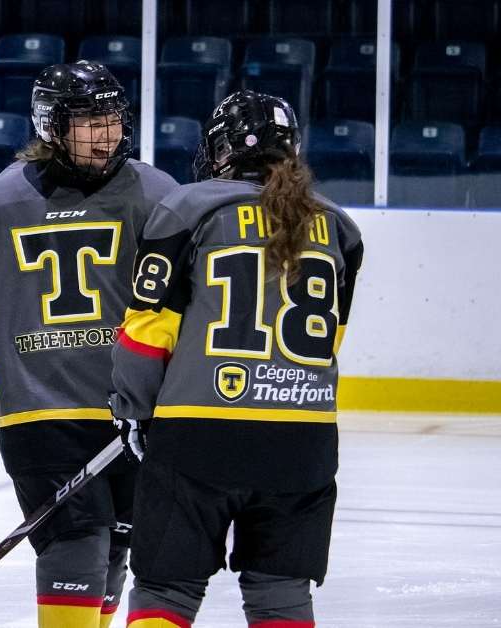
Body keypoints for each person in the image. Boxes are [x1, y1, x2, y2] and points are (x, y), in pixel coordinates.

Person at [109, 90, 364, 628]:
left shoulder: (185, 208)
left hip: (199, 435)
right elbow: (332, 338)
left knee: (166, 589)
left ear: (222, 148)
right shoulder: (341, 227)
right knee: (281, 593)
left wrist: (135, 408)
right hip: (303, 439)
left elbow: (144, 335)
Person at [0, 61, 178, 628]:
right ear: (51, 126)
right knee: (75, 546)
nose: (107, 133)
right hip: (42, 415)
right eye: (90, 121)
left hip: (136, 413)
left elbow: (183, 303)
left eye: (113, 119)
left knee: (120, 551)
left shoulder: (157, 194)